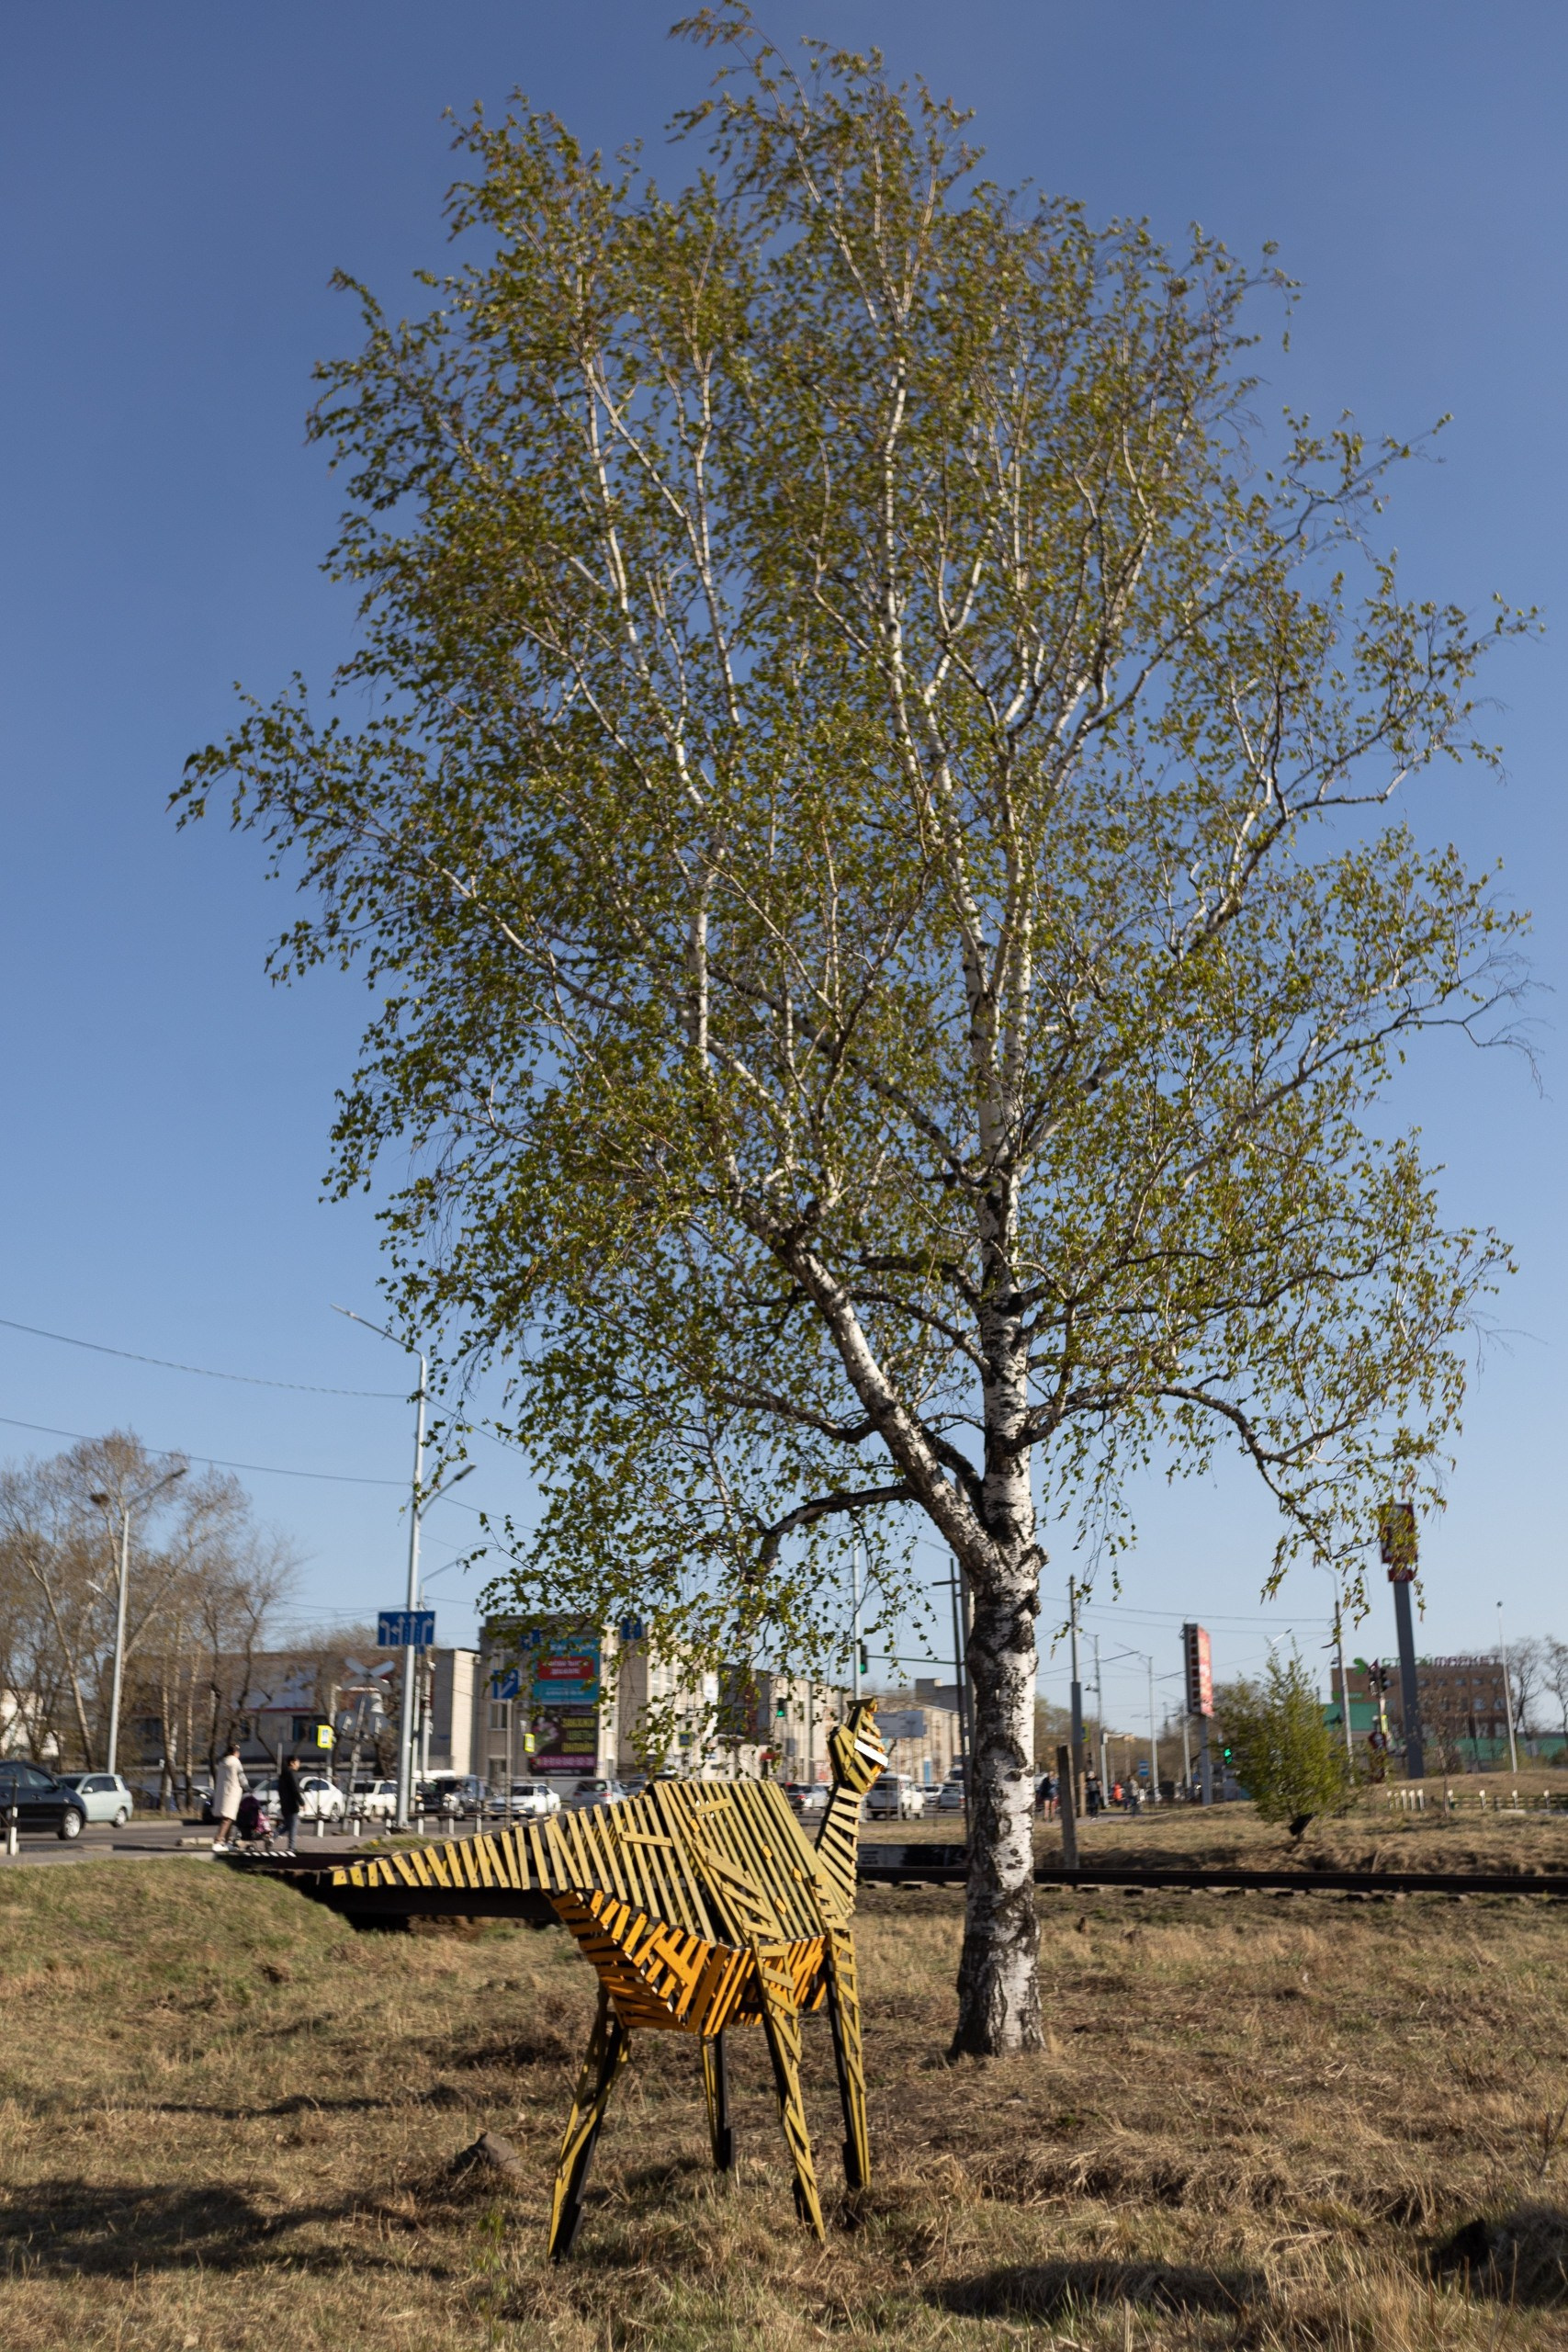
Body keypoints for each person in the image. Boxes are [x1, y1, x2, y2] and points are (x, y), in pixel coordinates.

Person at [212, 1740, 246, 1853]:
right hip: (232, 1793)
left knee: (228, 1818)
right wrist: (247, 1787)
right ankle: (218, 1841)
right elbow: (241, 1777)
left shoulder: (222, 1763)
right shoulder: (236, 1762)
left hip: (223, 1793)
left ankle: (227, 1843)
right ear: (235, 1752)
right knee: (227, 1819)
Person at [277, 1752, 306, 1854]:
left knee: (287, 1825)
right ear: (292, 1763)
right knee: (293, 1826)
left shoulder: (283, 1774)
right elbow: (295, 1789)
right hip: (292, 1804)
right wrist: (302, 1802)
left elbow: (280, 1790)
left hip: (284, 1804)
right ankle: (291, 1847)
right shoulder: (292, 1773)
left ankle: (272, 1836)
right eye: (298, 1762)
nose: (299, 1764)